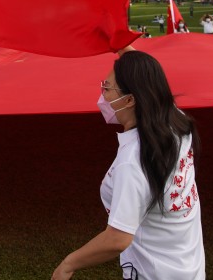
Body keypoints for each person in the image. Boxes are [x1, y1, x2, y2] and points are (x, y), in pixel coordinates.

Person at [52, 51, 204, 280]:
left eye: (107, 88)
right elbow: (149, 76)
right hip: (187, 267)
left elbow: (118, 238)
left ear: (130, 99)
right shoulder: (175, 122)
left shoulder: (133, 161)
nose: (102, 93)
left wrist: (68, 264)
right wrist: (119, 43)